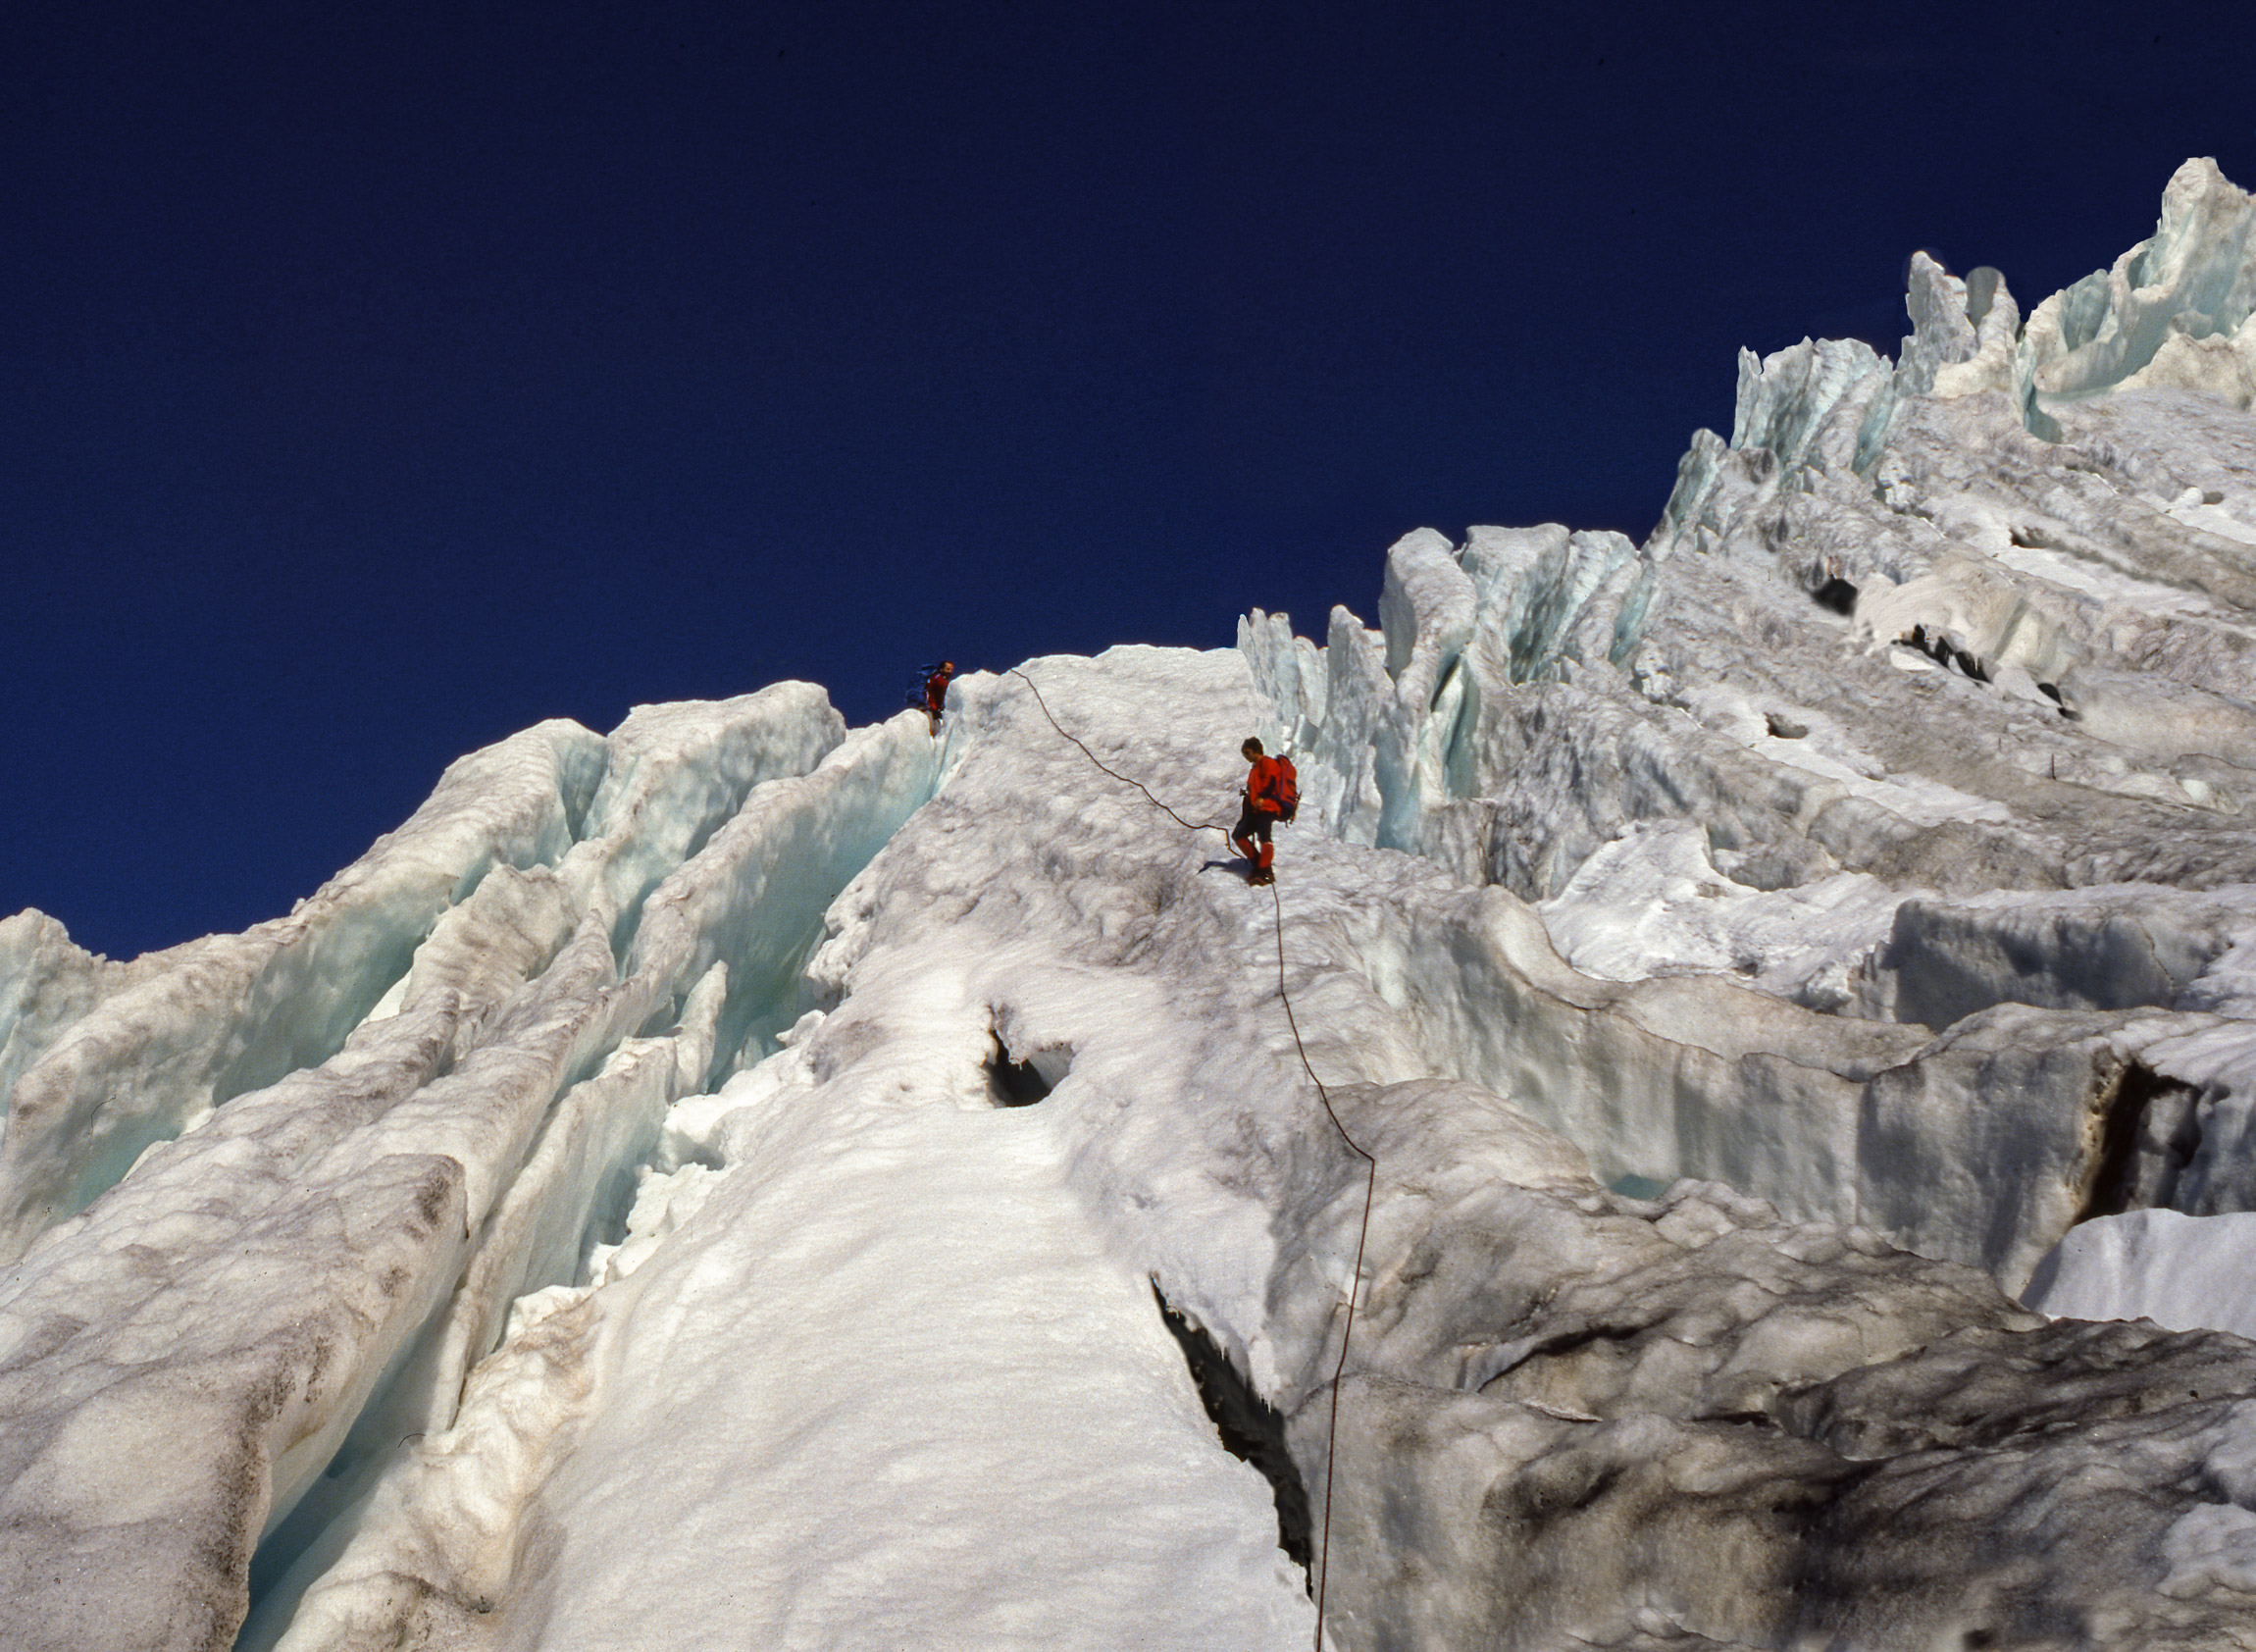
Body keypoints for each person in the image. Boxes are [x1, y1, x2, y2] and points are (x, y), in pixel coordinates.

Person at [1231, 737, 1297, 886]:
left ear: (1255, 751)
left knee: (1264, 835)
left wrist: (1262, 797)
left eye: (1247, 753)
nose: (1245, 757)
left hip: (1271, 807)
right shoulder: (1255, 768)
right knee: (1238, 835)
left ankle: (1263, 871)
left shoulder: (1268, 763)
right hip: (1259, 809)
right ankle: (1260, 866)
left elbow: (1271, 782)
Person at [922, 660, 955, 733]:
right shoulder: (937, 677)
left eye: (951, 670)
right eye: (947, 669)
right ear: (941, 669)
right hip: (928, 707)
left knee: (937, 731)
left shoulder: (943, 680)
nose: (950, 671)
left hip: (935, 710)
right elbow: (942, 684)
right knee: (930, 729)